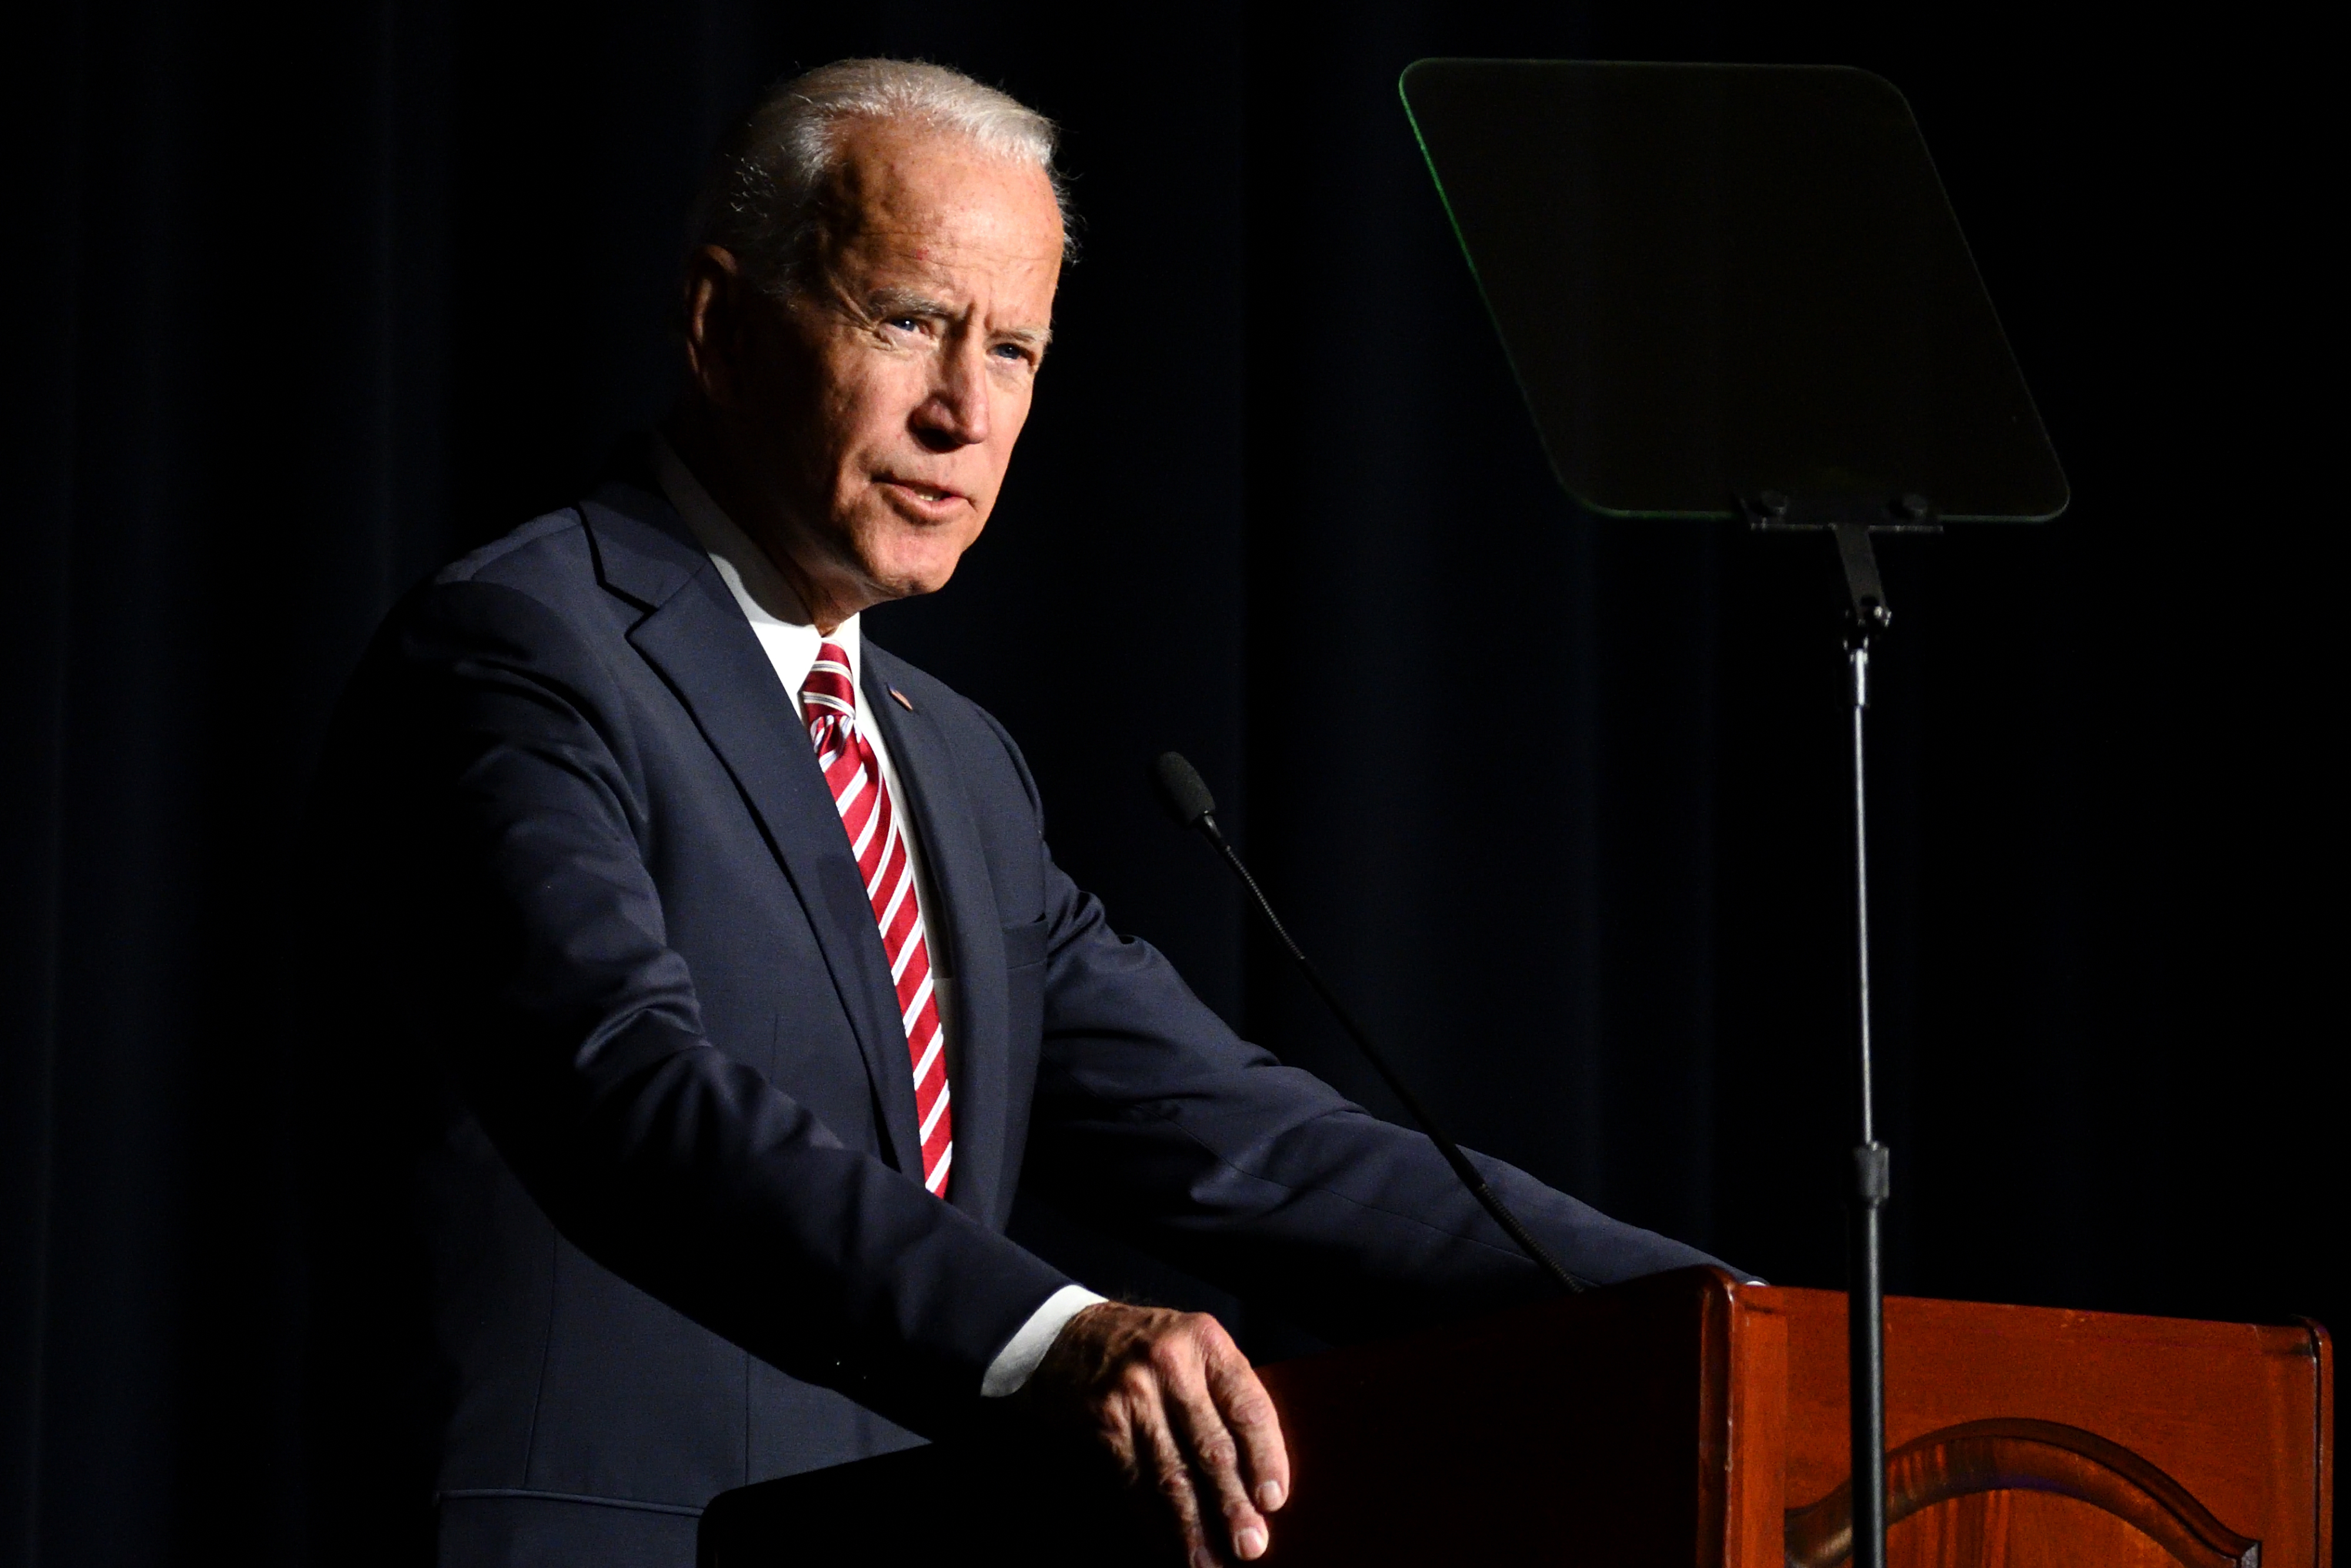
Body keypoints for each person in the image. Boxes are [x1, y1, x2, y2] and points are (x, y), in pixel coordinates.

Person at [300, 58, 1734, 1568]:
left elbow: (1243, 1142)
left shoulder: (954, 764)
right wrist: (1051, 1333)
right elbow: (623, 1091)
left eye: (1016, 349)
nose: (961, 411)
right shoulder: (522, 650)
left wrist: (1720, 1314)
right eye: (908, 321)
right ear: (718, 324)